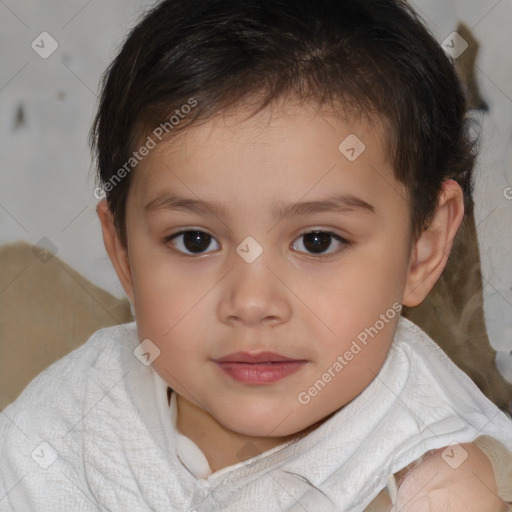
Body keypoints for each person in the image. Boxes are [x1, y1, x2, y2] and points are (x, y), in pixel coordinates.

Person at [1, 0, 511, 510]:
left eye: (317, 241)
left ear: (423, 247)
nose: (251, 301)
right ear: (125, 254)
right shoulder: (83, 406)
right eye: (194, 240)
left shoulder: (440, 480)